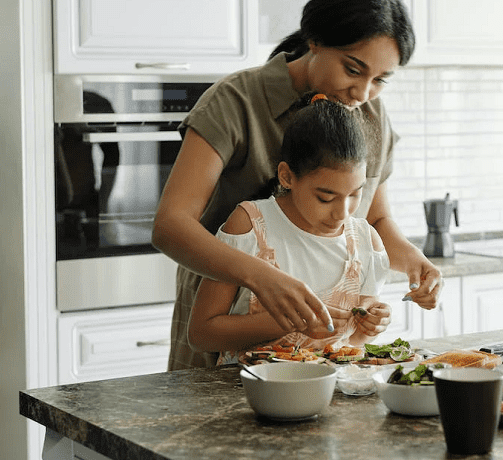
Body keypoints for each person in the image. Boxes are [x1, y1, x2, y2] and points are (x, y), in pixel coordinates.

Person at [153, 0, 443, 370]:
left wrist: (417, 264)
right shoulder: (235, 101)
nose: (362, 93)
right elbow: (170, 226)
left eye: (380, 80)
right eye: (353, 69)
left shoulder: (370, 113)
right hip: (225, 330)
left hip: (319, 357)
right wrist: (261, 277)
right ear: (316, 41)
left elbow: (376, 221)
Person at [188, 95, 391, 363]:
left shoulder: (366, 242)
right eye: (326, 197)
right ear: (286, 176)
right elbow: (201, 334)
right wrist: (290, 322)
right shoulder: (250, 226)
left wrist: (371, 326)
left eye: (355, 194)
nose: (342, 213)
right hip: (249, 394)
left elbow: (353, 343)